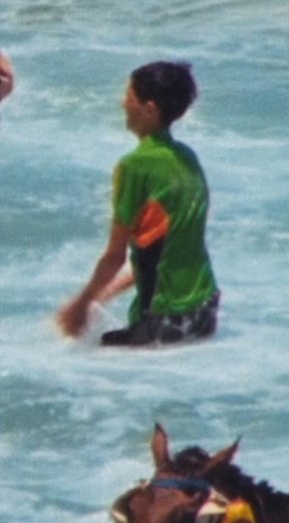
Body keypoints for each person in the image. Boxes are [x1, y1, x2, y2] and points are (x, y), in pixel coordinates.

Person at [56, 60, 220, 346]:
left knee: (76, 366)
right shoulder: (187, 158)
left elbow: (115, 257)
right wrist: (102, 295)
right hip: (205, 311)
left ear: (149, 109)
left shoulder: (135, 166)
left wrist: (79, 307)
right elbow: (175, 248)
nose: (122, 104)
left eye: (129, 97)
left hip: (166, 319)